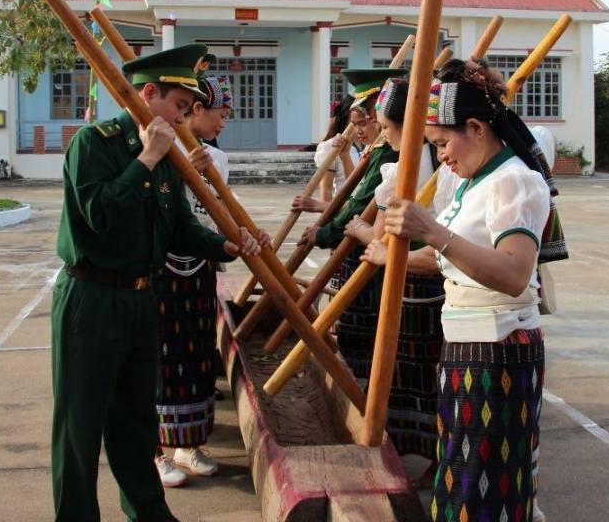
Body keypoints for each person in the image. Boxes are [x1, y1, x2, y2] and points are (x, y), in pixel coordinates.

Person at [51, 45, 262, 522]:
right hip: (90, 299)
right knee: (78, 428)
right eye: (180, 109)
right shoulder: (94, 143)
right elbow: (100, 215)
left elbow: (180, 227)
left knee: (135, 422)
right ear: (149, 95)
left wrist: (226, 245)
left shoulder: (168, 158)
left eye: (190, 112)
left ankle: (149, 513)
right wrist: (146, 157)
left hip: (143, 300)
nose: (186, 120)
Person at [367, 60, 551, 522]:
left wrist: (431, 231)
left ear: (475, 126)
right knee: (462, 481)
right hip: (467, 347)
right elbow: (457, 260)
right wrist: (397, 258)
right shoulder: (474, 182)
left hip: (500, 351)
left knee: (485, 492)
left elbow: (512, 274)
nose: (442, 156)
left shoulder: (514, 181)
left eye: (444, 143)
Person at [351, 77, 444, 463]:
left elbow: (379, 236)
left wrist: (358, 229)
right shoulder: (435, 161)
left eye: (387, 128)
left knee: (411, 372)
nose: (383, 137)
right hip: (433, 285)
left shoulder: (407, 168)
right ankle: (431, 454)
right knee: (426, 374)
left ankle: (420, 453)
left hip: (412, 282)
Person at [153, 76, 234, 488]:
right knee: (159, 358)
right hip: (159, 270)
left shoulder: (216, 159)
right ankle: (154, 450)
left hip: (198, 265)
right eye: (219, 113)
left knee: (197, 351)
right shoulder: (159, 148)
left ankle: (189, 444)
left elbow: (216, 213)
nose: (223, 122)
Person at [297, 68, 402, 379]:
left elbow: (359, 205)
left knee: (369, 340)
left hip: (371, 252)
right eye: (354, 125)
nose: (358, 131)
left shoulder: (387, 155)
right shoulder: (377, 150)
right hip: (357, 242)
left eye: (364, 124)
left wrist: (326, 232)